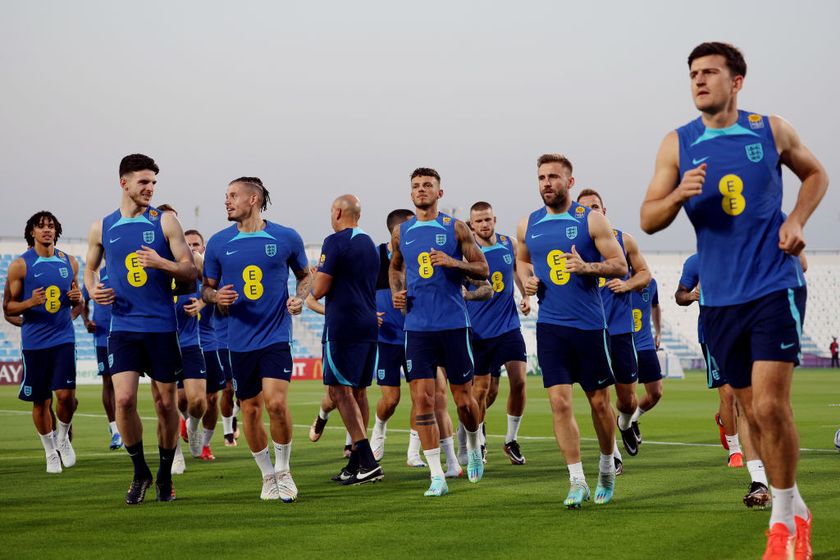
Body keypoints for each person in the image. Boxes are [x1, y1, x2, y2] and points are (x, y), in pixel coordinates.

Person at [640, 42, 828, 557]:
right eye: (693, 74)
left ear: (736, 81)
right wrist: (678, 195)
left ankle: (784, 523)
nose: (699, 81)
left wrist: (796, 221)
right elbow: (648, 217)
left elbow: (816, 174)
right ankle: (798, 508)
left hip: (774, 284)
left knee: (770, 403)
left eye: (710, 73)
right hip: (719, 300)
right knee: (750, 410)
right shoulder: (677, 144)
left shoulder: (770, 129)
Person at [84, 154, 197, 504]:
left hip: (162, 327)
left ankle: (164, 476)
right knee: (123, 399)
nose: (150, 189)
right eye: (143, 182)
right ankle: (139, 473)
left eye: (153, 183)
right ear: (124, 183)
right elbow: (89, 270)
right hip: (123, 327)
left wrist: (161, 262)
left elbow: (190, 270)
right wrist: (92, 290)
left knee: (166, 405)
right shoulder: (102, 226)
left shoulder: (166, 222)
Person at [517, 154, 627, 508]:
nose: (546, 183)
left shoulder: (591, 220)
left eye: (553, 176)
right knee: (559, 403)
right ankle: (576, 479)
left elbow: (620, 266)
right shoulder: (528, 224)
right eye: (541, 177)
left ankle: (607, 464)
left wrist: (586, 266)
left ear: (569, 181)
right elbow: (522, 259)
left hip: (590, 327)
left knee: (599, 404)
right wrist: (527, 282)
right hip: (551, 327)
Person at [202, 176, 312, 502]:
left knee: (276, 403)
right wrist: (215, 296)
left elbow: (306, 276)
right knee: (249, 410)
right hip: (237, 339)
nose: (226, 201)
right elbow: (206, 288)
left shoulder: (286, 237)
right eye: (225, 195)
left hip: (276, 335)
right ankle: (266, 475)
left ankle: (284, 471)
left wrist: (299, 298)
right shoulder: (219, 243)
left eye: (233, 195)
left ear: (253, 199)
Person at [389, 167, 488, 497]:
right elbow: (395, 267)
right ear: (410, 193)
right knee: (422, 401)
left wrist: (453, 262)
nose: (421, 190)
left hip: (454, 325)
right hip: (417, 328)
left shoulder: (455, 227)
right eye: (415, 186)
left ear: (439, 193)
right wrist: (397, 292)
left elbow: (482, 270)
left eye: (427, 185)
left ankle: (473, 446)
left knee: (464, 401)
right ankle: (436, 475)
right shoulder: (403, 232)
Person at [676, 254, 770, 509]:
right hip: (713, 336)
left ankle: (726, 423)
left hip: (745, 333)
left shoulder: (745, 255)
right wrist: (691, 296)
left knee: (745, 398)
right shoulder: (696, 262)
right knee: (729, 395)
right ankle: (735, 449)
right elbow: (679, 296)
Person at [310, 194, 384, 485]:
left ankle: (367, 460)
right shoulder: (369, 243)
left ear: (338, 212)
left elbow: (319, 290)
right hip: (368, 323)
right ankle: (355, 463)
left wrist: (317, 277)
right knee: (359, 392)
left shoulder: (335, 241)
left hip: (343, 325)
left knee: (339, 390)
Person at [3, 211, 83, 474]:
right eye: (41, 227)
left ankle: (62, 437)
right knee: (41, 401)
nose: (46, 230)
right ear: (32, 233)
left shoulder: (70, 262)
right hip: (35, 343)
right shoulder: (20, 265)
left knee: (67, 396)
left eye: (50, 226)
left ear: (56, 231)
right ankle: (50, 451)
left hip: (63, 338)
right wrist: (29, 303)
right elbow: (8, 308)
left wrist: (76, 300)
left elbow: (77, 301)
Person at [577, 189, 652, 460]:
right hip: (591, 330)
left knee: (628, 400)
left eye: (595, 206)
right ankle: (613, 454)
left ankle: (625, 422)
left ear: (604, 211)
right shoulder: (569, 244)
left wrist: (628, 283)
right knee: (600, 398)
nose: (591, 212)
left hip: (621, 330)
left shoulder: (623, 240)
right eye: (585, 208)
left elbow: (645, 274)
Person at [462, 201, 529, 466]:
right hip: (478, 332)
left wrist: (525, 296)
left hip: (508, 327)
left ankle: (510, 439)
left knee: (520, 381)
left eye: (487, 219)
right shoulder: (468, 254)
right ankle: (476, 441)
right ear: (471, 224)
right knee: (483, 392)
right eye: (478, 221)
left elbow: (517, 271)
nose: (484, 225)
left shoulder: (509, 244)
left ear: (494, 219)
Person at [364, 209, 427, 466]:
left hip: (416, 336)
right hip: (387, 338)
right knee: (391, 399)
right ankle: (378, 431)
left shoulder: (416, 258)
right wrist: (369, 314)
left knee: (420, 397)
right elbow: (359, 290)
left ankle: (413, 452)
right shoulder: (375, 257)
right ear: (394, 232)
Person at [185, 228, 226, 461]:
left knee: (211, 399)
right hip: (182, 343)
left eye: (196, 245)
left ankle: (206, 443)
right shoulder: (176, 272)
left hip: (209, 343)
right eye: (187, 244)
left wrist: (204, 301)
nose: (192, 249)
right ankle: (188, 423)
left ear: (202, 248)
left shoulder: (211, 278)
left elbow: (222, 302)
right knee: (182, 399)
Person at [81, 263, 122, 450]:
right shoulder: (96, 274)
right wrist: (87, 321)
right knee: (108, 382)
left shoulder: (128, 268)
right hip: (103, 337)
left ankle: (126, 426)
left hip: (127, 335)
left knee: (126, 385)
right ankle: (115, 430)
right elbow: (82, 300)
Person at [628, 277, 663, 458]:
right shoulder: (616, 280)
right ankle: (624, 426)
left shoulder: (651, 283)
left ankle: (631, 419)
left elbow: (655, 305)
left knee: (656, 392)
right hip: (623, 343)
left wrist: (658, 331)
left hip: (645, 343)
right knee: (628, 396)